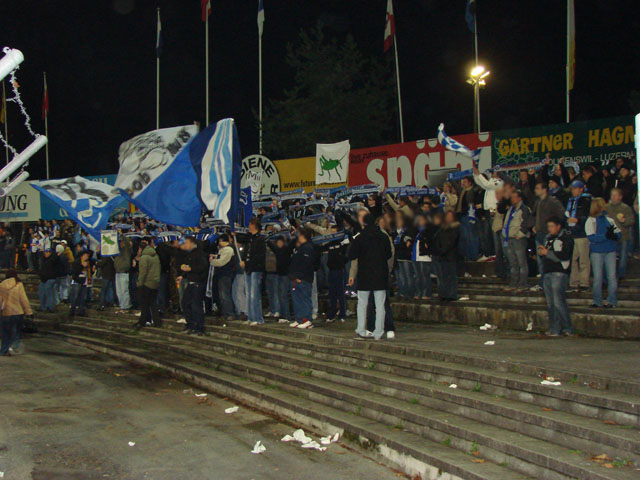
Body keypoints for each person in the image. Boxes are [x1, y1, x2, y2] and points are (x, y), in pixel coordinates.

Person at [349, 214, 392, 340]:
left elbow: (352, 254)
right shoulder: (383, 236)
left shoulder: (360, 237)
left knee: (362, 304)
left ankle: (361, 329)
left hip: (364, 274)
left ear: (364, 223)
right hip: (380, 274)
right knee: (380, 305)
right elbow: (389, 254)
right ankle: (379, 332)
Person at [538, 217, 574, 337]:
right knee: (550, 303)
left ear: (558, 226)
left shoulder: (565, 237)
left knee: (558, 302)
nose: (550, 229)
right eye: (548, 226)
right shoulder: (548, 238)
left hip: (559, 272)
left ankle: (567, 328)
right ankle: (555, 328)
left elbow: (564, 255)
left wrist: (548, 253)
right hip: (548, 271)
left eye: (552, 226)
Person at [586, 198, 621, 308]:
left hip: (609, 251)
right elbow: (591, 237)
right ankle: (598, 301)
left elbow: (618, 233)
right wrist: (606, 236)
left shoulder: (609, 220)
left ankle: (611, 300)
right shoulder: (591, 221)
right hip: (598, 252)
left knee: (611, 277)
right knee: (599, 278)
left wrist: (614, 236)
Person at [531, 181, 566, 291]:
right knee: (541, 261)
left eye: (538, 188)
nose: (535, 190)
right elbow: (534, 215)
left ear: (544, 189)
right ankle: (543, 283)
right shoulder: (538, 202)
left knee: (548, 260)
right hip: (539, 233)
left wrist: (554, 228)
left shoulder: (553, 201)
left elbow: (561, 214)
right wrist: (534, 225)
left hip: (548, 234)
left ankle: (546, 283)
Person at [502, 190, 533, 292]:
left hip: (518, 239)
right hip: (509, 238)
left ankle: (523, 284)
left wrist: (520, 234)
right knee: (513, 263)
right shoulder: (511, 209)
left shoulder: (524, 209)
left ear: (520, 198)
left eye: (514, 197)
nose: (512, 199)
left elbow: (527, 223)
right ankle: (514, 283)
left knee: (521, 262)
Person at [288, 228, 319, 329]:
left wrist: (300, 276)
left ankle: (307, 320)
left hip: (303, 278)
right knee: (297, 299)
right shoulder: (300, 247)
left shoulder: (308, 248)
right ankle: (299, 319)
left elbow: (307, 264)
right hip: (295, 278)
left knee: (304, 299)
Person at [565, 180, 591, 292]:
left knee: (583, 259)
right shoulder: (570, 201)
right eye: (572, 189)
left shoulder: (586, 200)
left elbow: (589, 215)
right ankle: (574, 282)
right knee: (573, 259)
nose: (573, 191)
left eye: (575, 188)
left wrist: (578, 220)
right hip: (572, 232)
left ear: (581, 189)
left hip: (582, 233)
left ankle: (584, 282)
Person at [0, 270, 33, 356]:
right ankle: (13, 347)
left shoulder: (1, 286)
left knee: (5, 333)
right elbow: (23, 299)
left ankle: (4, 350)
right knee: (16, 332)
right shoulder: (18, 285)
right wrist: (28, 311)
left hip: (5, 313)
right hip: (17, 312)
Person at [180, 236, 209, 335]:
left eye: (186, 242)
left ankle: (199, 327)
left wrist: (191, 269)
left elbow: (203, 267)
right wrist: (182, 275)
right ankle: (191, 325)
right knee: (185, 303)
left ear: (192, 243)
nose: (185, 245)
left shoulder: (199, 253)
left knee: (196, 305)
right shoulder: (190, 254)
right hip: (191, 281)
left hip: (198, 282)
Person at [606, 188, 635, 278]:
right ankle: (611, 275)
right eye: (612, 195)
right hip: (610, 237)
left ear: (620, 197)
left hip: (623, 237)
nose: (613, 197)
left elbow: (631, 221)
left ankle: (621, 276)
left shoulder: (625, 208)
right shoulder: (606, 207)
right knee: (610, 258)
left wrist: (624, 221)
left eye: (615, 195)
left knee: (623, 258)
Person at [243, 218, 266, 326]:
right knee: (249, 294)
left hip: (256, 269)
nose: (248, 226)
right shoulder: (250, 239)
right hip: (248, 269)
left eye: (250, 224)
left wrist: (248, 263)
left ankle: (258, 318)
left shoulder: (260, 239)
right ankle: (251, 317)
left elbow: (259, 256)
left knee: (254, 295)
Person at [434, 210, 460, 302]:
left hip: (450, 256)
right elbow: (437, 240)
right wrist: (438, 250)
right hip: (442, 256)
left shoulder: (455, 228)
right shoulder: (441, 229)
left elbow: (452, 242)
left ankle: (452, 294)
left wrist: (443, 250)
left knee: (451, 276)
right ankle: (443, 294)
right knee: (443, 276)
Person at [325, 226, 348, 323]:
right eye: (332, 232)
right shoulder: (330, 244)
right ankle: (332, 314)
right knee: (332, 294)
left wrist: (342, 261)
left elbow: (347, 249)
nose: (333, 234)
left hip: (339, 270)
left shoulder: (342, 243)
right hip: (331, 270)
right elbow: (321, 248)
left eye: (334, 232)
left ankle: (342, 314)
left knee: (340, 293)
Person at [210, 234, 235, 322]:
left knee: (225, 295)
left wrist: (212, 261)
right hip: (220, 275)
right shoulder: (222, 250)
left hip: (225, 275)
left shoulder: (228, 249)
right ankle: (224, 313)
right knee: (221, 295)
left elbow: (221, 262)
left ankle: (230, 313)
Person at [137, 241, 162, 328]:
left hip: (146, 283)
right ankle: (157, 322)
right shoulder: (155, 255)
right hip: (155, 282)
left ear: (141, 249)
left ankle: (142, 321)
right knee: (153, 304)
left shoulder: (144, 257)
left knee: (144, 304)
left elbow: (143, 272)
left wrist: (139, 283)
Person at [70, 251, 93, 317]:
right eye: (85, 255)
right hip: (77, 281)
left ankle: (81, 311)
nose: (86, 257)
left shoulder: (89, 262)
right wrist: (82, 266)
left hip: (84, 281)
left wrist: (92, 271)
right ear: (82, 256)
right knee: (75, 296)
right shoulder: (77, 262)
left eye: (87, 256)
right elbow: (74, 271)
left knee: (83, 297)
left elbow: (89, 272)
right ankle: (72, 310)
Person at [114, 233, 132, 312]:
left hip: (124, 272)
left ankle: (126, 306)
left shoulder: (127, 251)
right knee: (119, 291)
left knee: (124, 290)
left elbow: (127, 243)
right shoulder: (118, 251)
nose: (121, 243)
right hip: (117, 272)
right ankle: (122, 306)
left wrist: (122, 235)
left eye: (122, 242)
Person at [38, 248, 59, 313]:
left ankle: (50, 307)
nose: (46, 254)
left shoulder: (54, 260)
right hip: (43, 278)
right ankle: (43, 307)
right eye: (45, 252)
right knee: (41, 293)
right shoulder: (44, 259)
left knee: (49, 293)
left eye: (48, 252)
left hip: (51, 278)